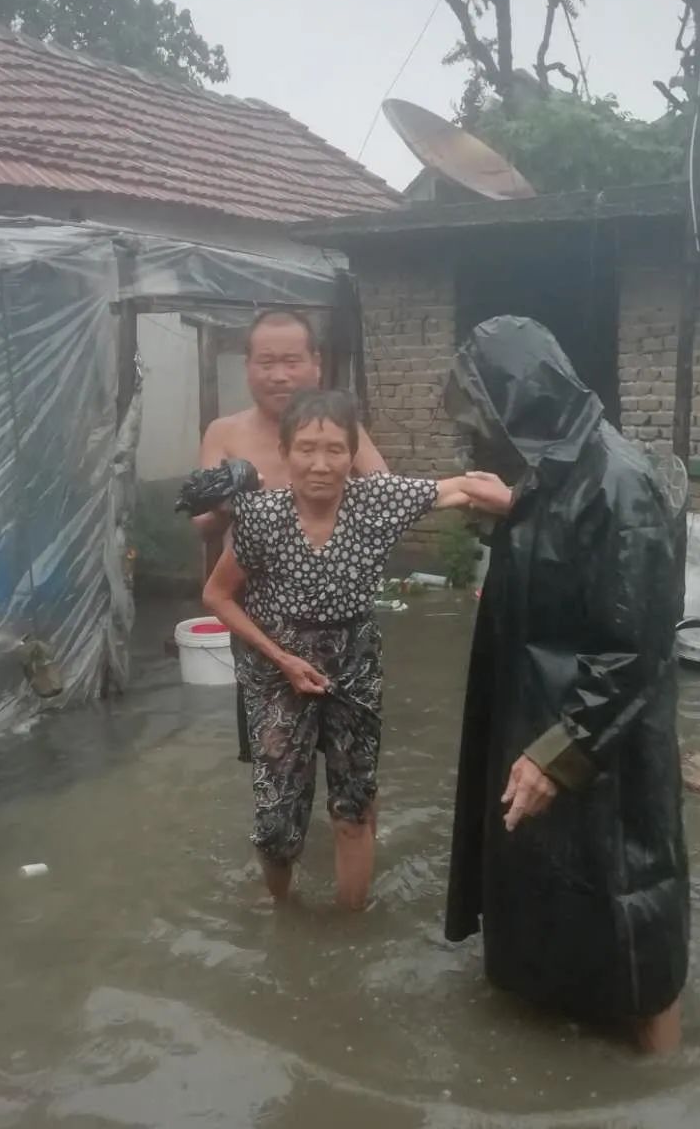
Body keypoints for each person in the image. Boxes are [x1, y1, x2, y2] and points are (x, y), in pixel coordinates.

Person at [443, 315, 689, 1055]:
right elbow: (561, 568)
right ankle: (560, 1026)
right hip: (540, 722)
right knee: (555, 886)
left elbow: (632, 650)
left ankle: (661, 1079)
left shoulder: (620, 483)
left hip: (600, 743)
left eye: (484, 409)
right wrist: (512, 508)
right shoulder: (554, 472)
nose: (477, 427)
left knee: (629, 896)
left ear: (523, 398)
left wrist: (561, 751)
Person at [203, 388, 491, 911]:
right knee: (276, 823)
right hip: (277, 671)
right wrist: (282, 658)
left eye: (335, 449)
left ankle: (350, 930)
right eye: (307, 448)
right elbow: (217, 596)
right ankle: (282, 915)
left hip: (353, 669)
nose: (320, 464)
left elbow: (459, 491)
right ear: (286, 453)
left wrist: (527, 501)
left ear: (352, 453)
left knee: (353, 808)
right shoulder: (262, 517)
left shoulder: (375, 502)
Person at [193, 309, 386, 761]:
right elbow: (202, 527)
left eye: (292, 361)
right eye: (266, 362)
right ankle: (288, 828)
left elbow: (383, 495)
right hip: (260, 623)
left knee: (354, 764)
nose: (279, 375)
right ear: (248, 366)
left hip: (339, 623)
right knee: (275, 758)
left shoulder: (341, 428)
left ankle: (347, 824)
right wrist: (228, 496)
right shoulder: (224, 433)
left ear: (315, 363)